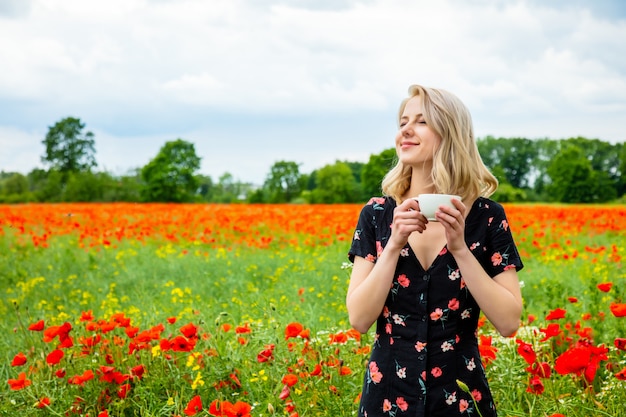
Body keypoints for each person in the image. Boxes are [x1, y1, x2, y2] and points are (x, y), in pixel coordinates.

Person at [346, 84, 524, 417]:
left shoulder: (486, 217)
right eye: (402, 122)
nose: (406, 131)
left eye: (421, 121)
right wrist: (394, 245)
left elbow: (509, 321)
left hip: (459, 398)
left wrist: (460, 248)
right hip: (387, 396)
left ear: (450, 133)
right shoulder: (377, 215)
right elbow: (358, 318)